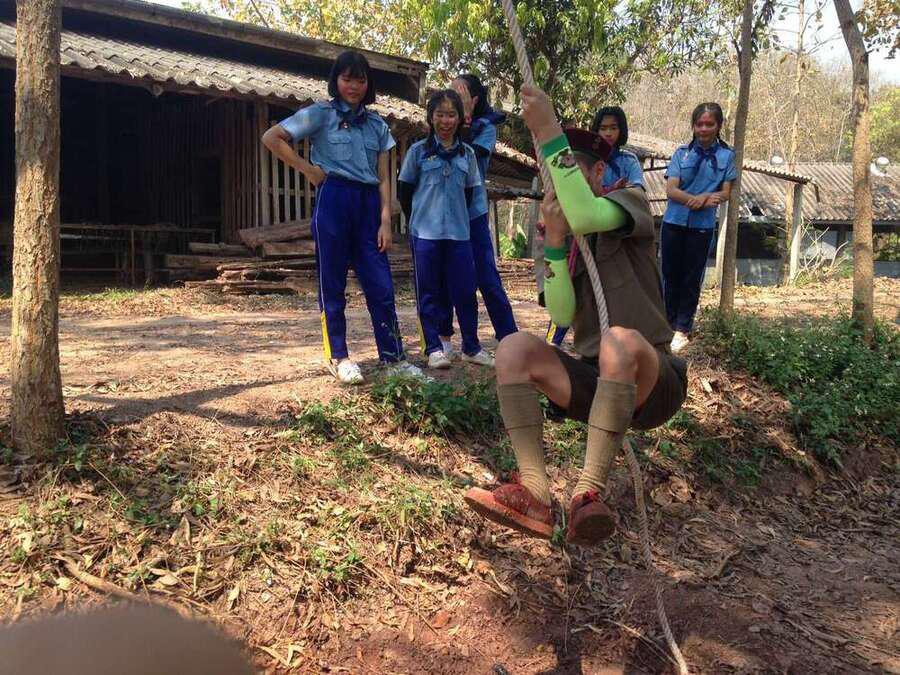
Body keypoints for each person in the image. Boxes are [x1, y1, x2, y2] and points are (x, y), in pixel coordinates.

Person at [464, 86, 688, 547]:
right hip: (597, 381)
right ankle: (535, 493)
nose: (557, 191)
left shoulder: (629, 201)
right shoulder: (561, 237)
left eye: (566, 177)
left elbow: (585, 213)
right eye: (550, 182)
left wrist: (547, 129)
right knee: (513, 349)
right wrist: (553, 242)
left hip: (653, 377)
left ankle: (588, 494)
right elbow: (561, 312)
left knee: (618, 341)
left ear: (599, 172)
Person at [262, 50, 424, 384]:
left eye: (360, 80)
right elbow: (272, 137)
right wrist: (308, 170)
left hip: (368, 205)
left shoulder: (377, 125)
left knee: (381, 284)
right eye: (347, 78)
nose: (353, 86)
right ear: (336, 80)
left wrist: (385, 220)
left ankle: (394, 357)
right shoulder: (320, 114)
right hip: (333, 200)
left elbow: (384, 177)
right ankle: (339, 357)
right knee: (332, 283)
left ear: (368, 84)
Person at [398, 90, 494, 369]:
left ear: (460, 119)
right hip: (425, 235)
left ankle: (471, 347)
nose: (445, 121)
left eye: (451, 115)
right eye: (440, 114)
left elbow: (470, 193)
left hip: (459, 235)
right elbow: (404, 192)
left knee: (465, 291)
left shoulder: (468, 154)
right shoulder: (418, 152)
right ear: (431, 118)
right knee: (428, 292)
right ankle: (433, 349)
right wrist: (420, 219)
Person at [435, 74, 518, 359]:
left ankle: (509, 337)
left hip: (473, 214)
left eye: (460, 95)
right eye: (450, 93)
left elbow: (468, 155)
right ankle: (444, 340)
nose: (453, 99)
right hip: (446, 214)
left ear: (474, 100)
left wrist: (466, 122)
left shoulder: (486, 129)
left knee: (487, 277)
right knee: (446, 277)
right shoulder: (444, 127)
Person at [661, 102, 737, 353]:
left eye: (709, 124)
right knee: (670, 275)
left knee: (692, 277)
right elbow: (671, 189)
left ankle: (682, 328)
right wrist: (693, 199)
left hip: (702, 226)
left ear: (718, 126)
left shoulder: (727, 156)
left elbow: (725, 193)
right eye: (699, 124)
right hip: (673, 222)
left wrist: (704, 198)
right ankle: (666, 324)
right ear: (693, 126)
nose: (704, 129)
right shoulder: (681, 153)